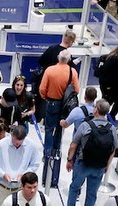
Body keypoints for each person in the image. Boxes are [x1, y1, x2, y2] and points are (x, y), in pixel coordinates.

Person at [66, 100, 118, 206]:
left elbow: (73, 144)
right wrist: (107, 165)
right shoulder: (112, 128)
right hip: (99, 167)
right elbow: (114, 148)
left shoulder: (86, 126)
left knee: (75, 187)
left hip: (83, 164)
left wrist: (69, 160)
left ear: (96, 110)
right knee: (92, 194)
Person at [39, 50, 80, 185]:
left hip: (51, 102)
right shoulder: (72, 72)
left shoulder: (50, 70)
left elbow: (42, 89)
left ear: (58, 57)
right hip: (64, 105)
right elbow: (77, 90)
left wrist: (47, 98)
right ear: (68, 60)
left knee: (49, 128)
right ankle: (56, 151)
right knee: (59, 128)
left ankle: (47, 153)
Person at [97, 39, 118, 116]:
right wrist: (107, 87)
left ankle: (112, 116)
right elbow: (105, 73)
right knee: (105, 105)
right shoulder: (113, 58)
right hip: (110, 86)